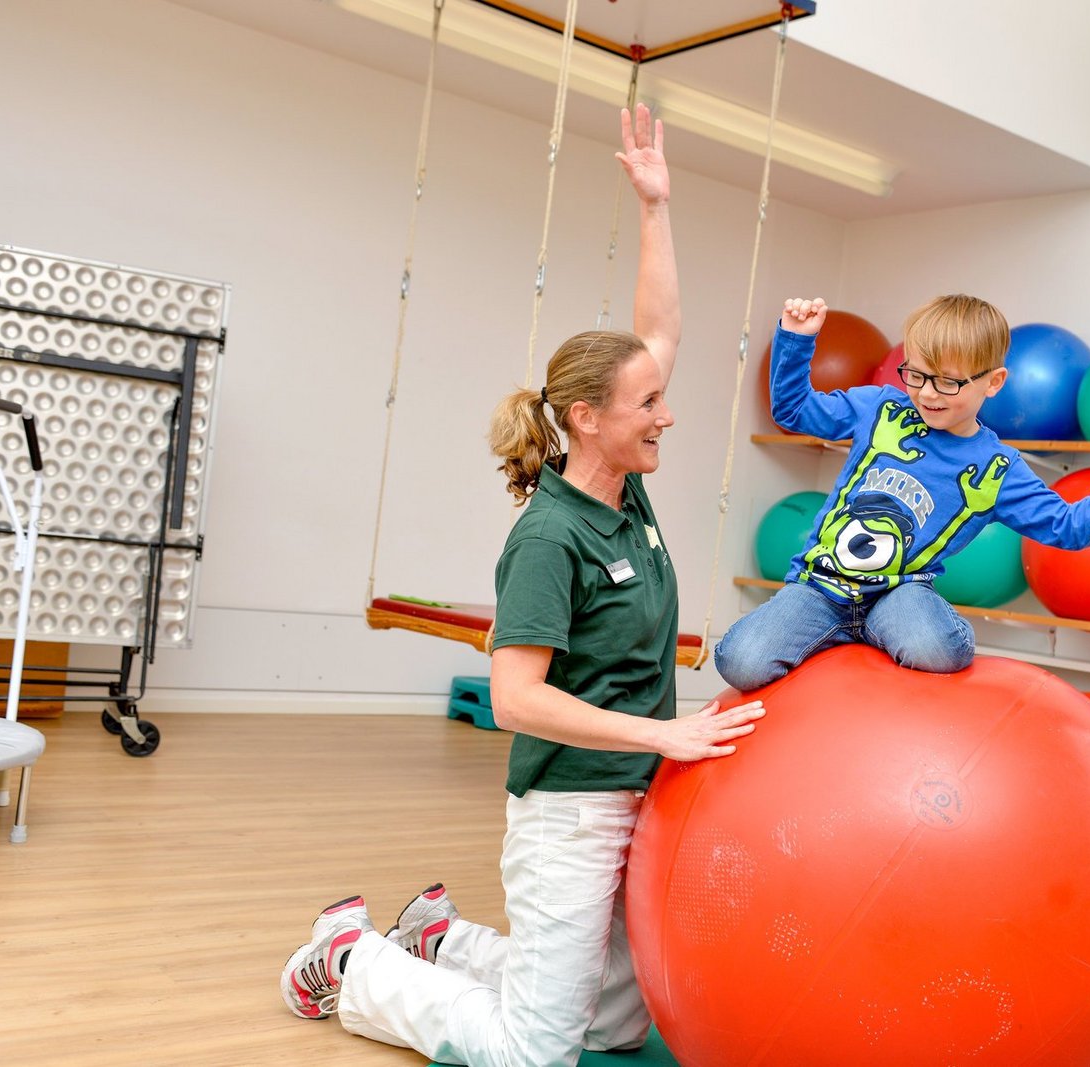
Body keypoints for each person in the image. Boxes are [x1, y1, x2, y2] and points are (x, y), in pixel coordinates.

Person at [278, 104, 764, 1067]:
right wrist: (664, 733)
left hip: (638, 794)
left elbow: (661, 326)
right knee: (536, 1053)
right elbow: (515, 698)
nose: (668, 413)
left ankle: (440, 937)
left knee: (618, 1026)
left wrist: (655, 206)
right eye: (650, 404)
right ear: (589, 418)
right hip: (572, 809)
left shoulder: (627, 491)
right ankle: (352, 961)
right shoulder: (552, 535)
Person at [713, 294, 1090, 692]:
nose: (928, 394)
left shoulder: (996, 468)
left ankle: (908, 627)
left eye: (948, 382)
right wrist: (795, 341)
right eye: (916, 375)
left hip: (899, 594)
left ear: (993, 383)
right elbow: (793, 411)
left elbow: (1066, 527)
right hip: (820, 587)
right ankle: (843, 633)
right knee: (738, 661)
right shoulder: (880, 409)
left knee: (935, 651)